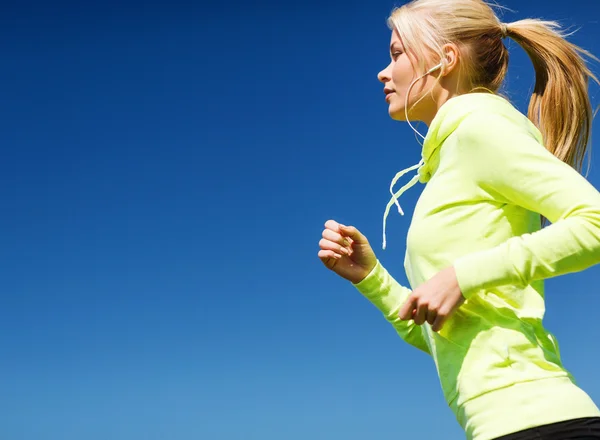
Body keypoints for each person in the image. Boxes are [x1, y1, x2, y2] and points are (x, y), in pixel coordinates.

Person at [317, 1, 600, 439]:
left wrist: (462, 277)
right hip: (500, 427)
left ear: (445, 60)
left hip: (541, 421)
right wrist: (371, 278)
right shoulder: (450, 159)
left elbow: (594, 222)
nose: (383, 72)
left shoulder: (481, 131)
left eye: (397, 53)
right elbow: (439, 334)